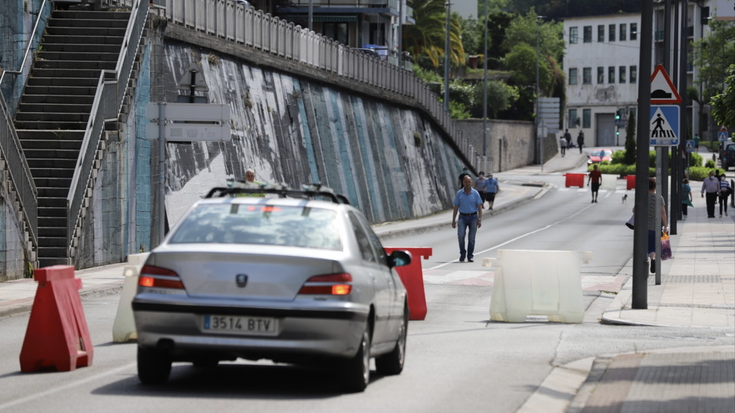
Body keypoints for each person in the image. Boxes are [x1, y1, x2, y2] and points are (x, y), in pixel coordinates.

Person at [452, 175, 483, 263]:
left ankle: (470, 256)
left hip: (473, 217)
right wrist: (453, 220)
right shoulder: (459, 193)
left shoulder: (475, 193)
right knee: (461, 236)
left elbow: (479, 206)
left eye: (469, 181)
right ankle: (462, 253)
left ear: (471, 182)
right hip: (462, 217)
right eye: (466, 182)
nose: (467, 183)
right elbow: (456, 207)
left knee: (471, 238)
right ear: (463, 183)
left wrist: (479, 219)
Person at [645, 177, 668, 273]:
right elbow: (663, 212)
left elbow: (634, 210)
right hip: (656, 226)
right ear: (655, 186)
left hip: (644, 226)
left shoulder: (643, 197)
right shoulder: (659, 197)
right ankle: (653, 258)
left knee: (646, 246)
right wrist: (665, 226)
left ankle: (648, 260)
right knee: (654, 246)